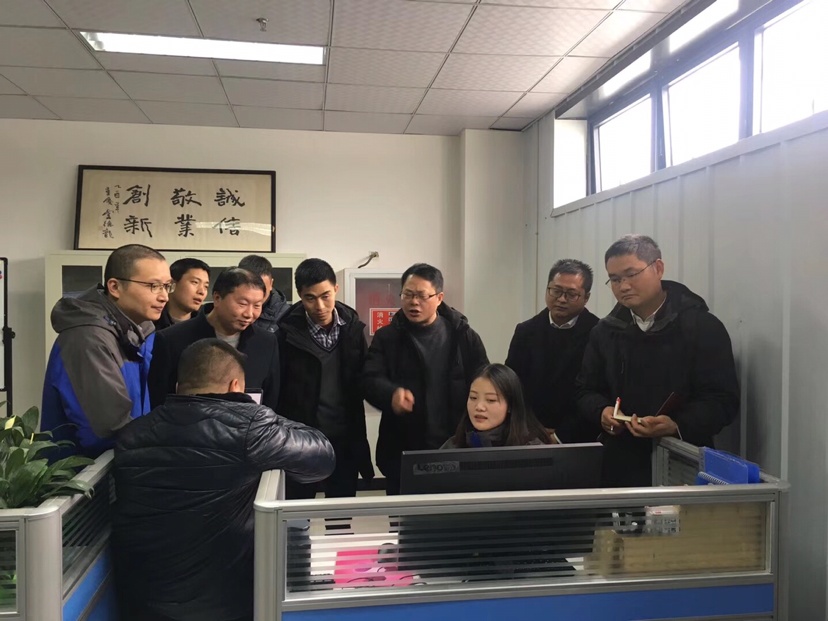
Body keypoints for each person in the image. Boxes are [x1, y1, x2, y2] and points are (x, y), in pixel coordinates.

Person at [113, 339, 335, 621]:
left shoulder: (132, 435)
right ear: (235, 386)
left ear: (179, 386)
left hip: (145, 604)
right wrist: (254, 412)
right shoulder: (249, 429)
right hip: (226, 604)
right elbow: (322, 456)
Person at [576, 234, 739, 487]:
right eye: (615, 279)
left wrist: (676, 424)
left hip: (683, 461)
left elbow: (723, 400)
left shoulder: (702, 327)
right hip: (621, 464)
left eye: (631, 274)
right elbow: (585, 390)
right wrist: (603, 412)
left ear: (658, 268)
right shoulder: (605, 331)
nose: (623, 286)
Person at [362, 262, 488, 495]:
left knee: (452, 514)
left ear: (439, 298)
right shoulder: (387, 338)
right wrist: (391, 394)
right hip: (404, 450)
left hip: (455, 446)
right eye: (407, 294)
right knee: (403, 514)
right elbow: (369, 379)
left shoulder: (463, 336)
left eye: (421, 296)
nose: (414, 302)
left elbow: (484, 381)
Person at [42, 244, 171, 456]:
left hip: (124, 462)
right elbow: (105, 431)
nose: (164, 296)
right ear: (115, 287)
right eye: (153, 286)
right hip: (86, 472)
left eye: (167, 286)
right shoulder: (87, 338)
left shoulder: (139, 331)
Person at [277, 258, 374, 499]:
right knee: (297, 510)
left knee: (341, 510)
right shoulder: (284, 334)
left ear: (336, 289)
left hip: (344, 438)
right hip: (300, 440)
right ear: (300, 295)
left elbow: (365, 377)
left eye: (325, 296)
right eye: (310, 298)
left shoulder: (352, 328)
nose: (319, 306)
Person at [148, 268, 280, 411]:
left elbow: (270, 400)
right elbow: (158, 401)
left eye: (257, 305)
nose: (249, 313)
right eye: (242, 304)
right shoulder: (171, 339)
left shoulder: (266, 342)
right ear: (217, 298)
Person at [505, 259, 599, 444]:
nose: (561, 299)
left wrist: (559, 436)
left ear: (586, 297)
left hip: (580, 438)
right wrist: (529, 429)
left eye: (571, 294)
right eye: (556, 291)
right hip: (528, 434)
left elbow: (596, 391)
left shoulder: (598, 333)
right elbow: (512, 384)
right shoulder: (526, 331)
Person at [441, 363, 552, 449]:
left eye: (491, 400)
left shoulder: (532, 450)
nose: (479, 407)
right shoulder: (452, 446)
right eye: (473, 398)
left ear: (510, 406)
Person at [154, 258, 210, 330]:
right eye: (195, 282)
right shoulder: (149, 324)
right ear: (171, 284)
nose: (202, 291)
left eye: (206, 286)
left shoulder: (206, 326)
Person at [238, 254, 289, 333]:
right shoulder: (228, 307)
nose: (256, 294)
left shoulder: (287, 316)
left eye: (262, 289)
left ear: (271, 283)